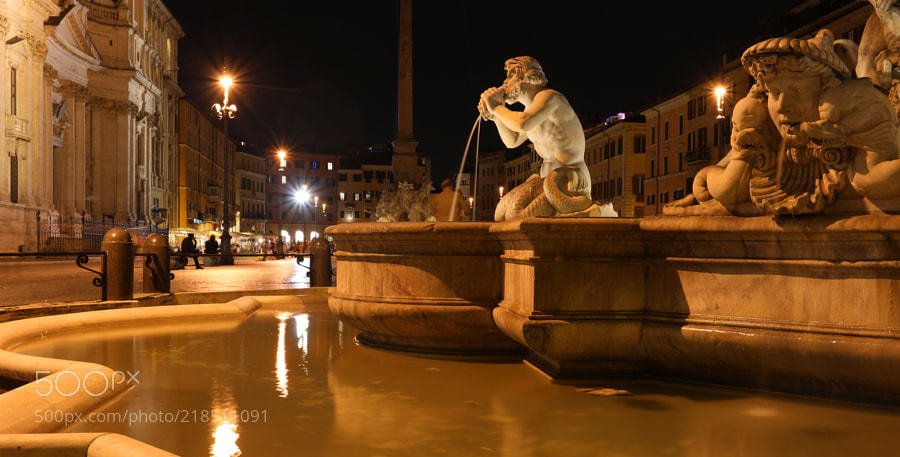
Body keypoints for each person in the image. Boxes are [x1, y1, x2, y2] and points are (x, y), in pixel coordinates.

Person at [681, 29, 900, 215]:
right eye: (774, 93)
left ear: (829, 93)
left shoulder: (855, 112)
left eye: (797, 90)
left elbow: (877, 175)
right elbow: (726, 189)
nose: (783, 106)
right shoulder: (761, 131)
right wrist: (733, 161)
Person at [479, 56, 603, 220]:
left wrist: (496, 107)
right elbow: (512, 141)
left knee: (515, 215)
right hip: (546, 179)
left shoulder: (550, 97)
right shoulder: (529, 110)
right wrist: (495, 117)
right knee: (500, 213)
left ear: (526, 77)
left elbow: (522, 124)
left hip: (569, 178)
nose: (505, 82)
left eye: (510, 76)